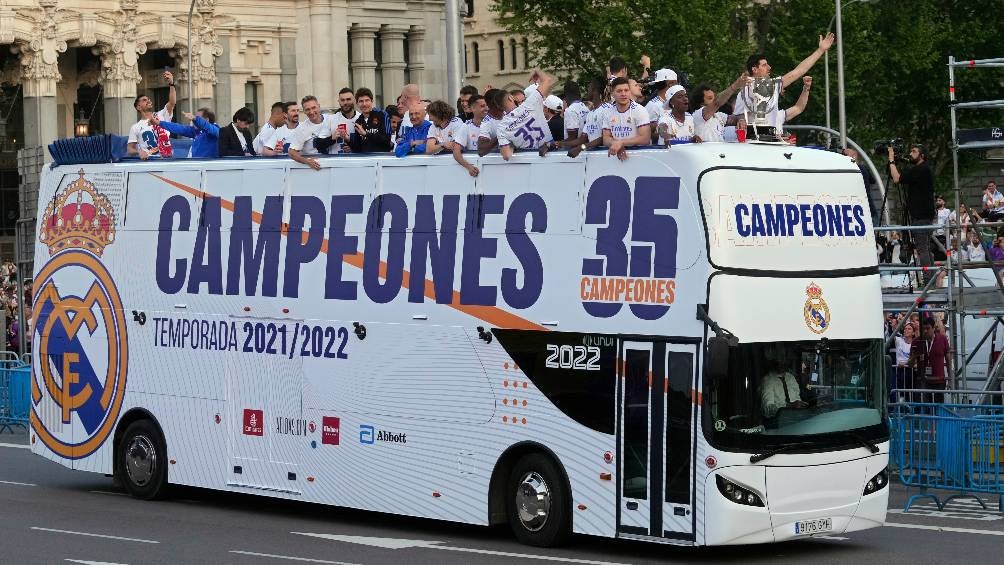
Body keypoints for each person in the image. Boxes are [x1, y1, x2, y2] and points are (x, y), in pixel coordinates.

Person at [734, 33, 835, 132]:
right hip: (753, 144)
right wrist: (820, 51)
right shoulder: (745, 92)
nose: (769, 67)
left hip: (768, 143)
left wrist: (820, 50)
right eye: (764, 65)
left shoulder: (769, 86)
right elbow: (737, 117)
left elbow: (799, 72)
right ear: (755, 69)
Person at [889, 143, 935, 277]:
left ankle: (928, 279)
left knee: (922, 249)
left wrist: (891, 160)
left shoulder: (920, 169)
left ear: (922, 155)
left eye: (914, 152)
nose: (910, 154)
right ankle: (931, 278)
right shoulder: (924, 169)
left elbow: (897, 178)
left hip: (920, 215)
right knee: (925, 248)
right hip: (924, 214)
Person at [497, 69, 556, 161]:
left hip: (528, 159)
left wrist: (514, 142)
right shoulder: (530, 102)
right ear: (511, 98)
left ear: (500, 107)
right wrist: (537, 71)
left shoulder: (501, 127)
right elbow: (547, 80)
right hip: (551, 155)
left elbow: (507, 155)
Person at [127, 70, 177, 159]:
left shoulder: (161, 115)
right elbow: (130, 149)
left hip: (167, 160)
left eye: (148, 99)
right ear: (138, 107)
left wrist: (171, 84)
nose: (148, 101)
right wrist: (139, 151)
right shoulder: (135, 127)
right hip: (149, 163)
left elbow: (172, 102)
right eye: (144, 100)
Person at [602, 77, 652, 161]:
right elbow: (605, 139)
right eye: (619, 91)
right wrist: (615, 143)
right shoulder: (608, 112)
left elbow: (645, 139)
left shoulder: (639, 110)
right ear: (612, 93)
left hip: (641, 156)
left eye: (626, 90)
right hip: (617, 156)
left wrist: (621, 143)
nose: (623, 94)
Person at [425, 100, 479, 177]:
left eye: (431, 115)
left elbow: (455, 148)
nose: (429, 119)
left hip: (462, 164)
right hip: (445, 167)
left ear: (439, 114)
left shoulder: (457, 123)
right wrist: (443, 145)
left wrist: (437, 146)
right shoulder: (433, 126)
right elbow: (429, 149)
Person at [690, 74, 746, 143]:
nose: (714, 100)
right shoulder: (698, 114)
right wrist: (735, 85)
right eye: (710, 98)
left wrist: (741, 119)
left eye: (714, 97)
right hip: (704, 152)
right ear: (701, 103)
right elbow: (717, 103)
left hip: (719, 152)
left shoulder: (719, 115)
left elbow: (736, 118)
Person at [909, 318, 951, 404]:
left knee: (938, 407)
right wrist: (914, 356)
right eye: (923, 328)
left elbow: (948, 359)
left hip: (939, 380)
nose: (925, 331)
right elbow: (910, 364)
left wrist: (950, 378)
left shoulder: (942, 339)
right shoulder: (916, 341)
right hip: (923, 381)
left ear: (933, 328)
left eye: (927, 328)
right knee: (925, 408)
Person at [287, 95, 333, 171]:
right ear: (304, 111)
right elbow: (291, 152)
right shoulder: (302, 128)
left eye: (313, 108)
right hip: (313, 169)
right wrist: (307, 161)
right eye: (307, 109)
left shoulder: (331, 119)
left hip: (333, 164)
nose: (311, 112)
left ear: (319, 106)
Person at [151, 108, 219, 158]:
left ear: (207, 120)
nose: (193, 120)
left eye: (198, 117)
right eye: (195, 117)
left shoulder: (215, 130)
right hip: (196, 168)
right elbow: (178, 128)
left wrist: (196, 119)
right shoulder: (196, 131)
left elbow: (208, 127)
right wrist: (159, 123)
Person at [348, 88, 393, 153]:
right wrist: (347, 139)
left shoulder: (383, 115)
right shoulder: (358, 121)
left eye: (367, 100)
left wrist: (366, 134)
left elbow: (387, 140)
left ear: (372, 101)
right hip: (366, 160)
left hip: (381, 159)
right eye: (361, 101)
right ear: (357, 103)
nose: (364, 104)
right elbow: (358, 148)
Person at [316, 88, 359, 155]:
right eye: (342, 100)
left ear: (354, 100)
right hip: (336, 162)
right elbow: (318, 145)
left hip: (357, 163)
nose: (345, 102)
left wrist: (353, 148)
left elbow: (367, 146)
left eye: (348, 99)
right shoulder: (331, 119)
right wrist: (332, 138)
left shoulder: (361, 118)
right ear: (338, 101)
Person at [893, 322, 917, 401]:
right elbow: (893, 332)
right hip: (900, 371)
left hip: (911, 370)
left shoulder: (915, 343)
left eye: (909, 329)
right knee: (902, 393)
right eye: (905, 329)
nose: (906, 330)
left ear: (913, 332)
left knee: (912, 393)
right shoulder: (899, 340)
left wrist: (906, 363)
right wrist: (895, 324)